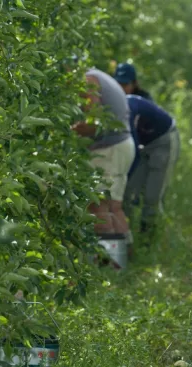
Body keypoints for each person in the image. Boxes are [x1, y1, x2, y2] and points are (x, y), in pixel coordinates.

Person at [71, 68, 135, 242]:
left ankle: (108, 264)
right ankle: (122, 259)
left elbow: (93, 124)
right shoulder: (99, 76)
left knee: (100, 207)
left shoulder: (89, 80)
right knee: (114, 207)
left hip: (110, 150)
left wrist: (67, 132)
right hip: (120, 147)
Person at [123, 94, 180, 234]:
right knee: (129, 192)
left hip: (164, 140)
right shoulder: (114, 109)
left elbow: (134, 148)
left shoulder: (127, 109)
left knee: (152, 196)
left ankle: (150, 237)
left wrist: (127, 174)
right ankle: (127, 234)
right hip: (145, 143)